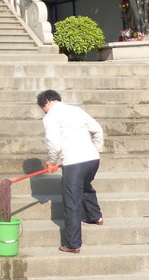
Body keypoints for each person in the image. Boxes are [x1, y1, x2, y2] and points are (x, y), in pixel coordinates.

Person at [36, 89, 104, 254]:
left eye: (42, 107)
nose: (43, 111)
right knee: (85, 185)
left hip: (74, 163)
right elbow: (97, 130)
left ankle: (73, 244)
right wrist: (98, 150)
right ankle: (95, 216)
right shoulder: (76, 110)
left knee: (72, 202)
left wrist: (51, 162)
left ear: (47, 102)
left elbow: (53, 143)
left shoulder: (51, 116)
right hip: (92, 160)